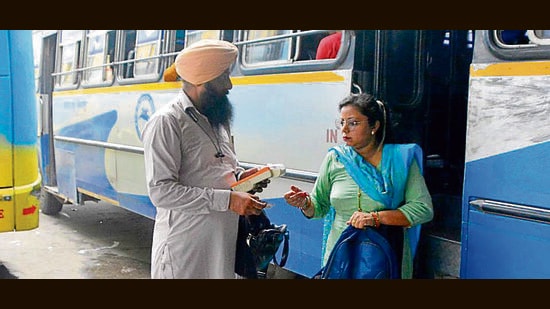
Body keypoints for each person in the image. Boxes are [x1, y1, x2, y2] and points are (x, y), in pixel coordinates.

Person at [141, 39, 269, 279]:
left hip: (221, 245)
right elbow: (161, 192)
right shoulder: (167, 122)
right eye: (223, 77)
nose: (229, 85)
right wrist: (228, 200)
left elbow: (217, 167)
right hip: (185, 249)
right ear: (202, 81)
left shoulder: (216, 117)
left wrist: (242, 178)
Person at [283, 93, 433, 279]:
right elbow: (319, 206)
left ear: (374, 126)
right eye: (342, 123)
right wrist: (304, 203)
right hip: (341, 254)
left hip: (384, 254)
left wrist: (375, 218)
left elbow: (423, 209)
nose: (344, 129)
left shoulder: (399, 160)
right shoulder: (335, 159)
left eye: (353, 123)